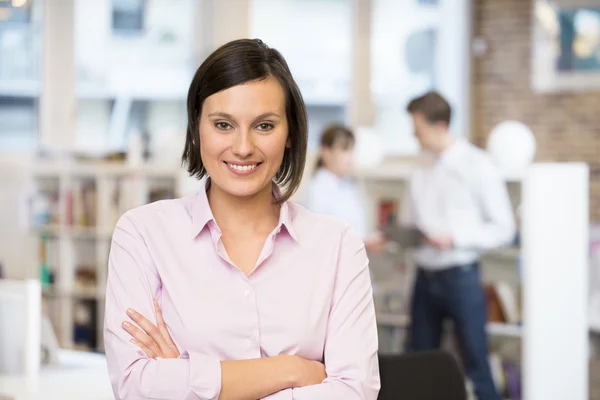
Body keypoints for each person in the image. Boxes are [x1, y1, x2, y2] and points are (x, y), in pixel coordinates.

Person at [103, 39, 380, 400]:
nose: (244, 147)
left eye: (264, 126)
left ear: (290, 134)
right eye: (223, 124)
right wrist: (291, 369)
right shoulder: (142, 234)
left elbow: (353, 391)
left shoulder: (337, 244)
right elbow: (134, 385)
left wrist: (188, 378)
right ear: (196, 129)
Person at [400, 91, 515, 400]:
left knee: (476, 362)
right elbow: (410, 220)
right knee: (417, 363)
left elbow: (504, 229)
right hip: (424, 277)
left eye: (417, 128)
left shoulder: (478, 164)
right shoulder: (419, 167)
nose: (413, 135)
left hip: (460, 276)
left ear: (439, 126)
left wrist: (455, 237)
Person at [305, 124, 386, 253]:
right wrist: (363, 244)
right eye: (344, 150)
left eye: (352, 150)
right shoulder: (318, 189)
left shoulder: (349, 184)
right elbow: (323, 241)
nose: (350, 157)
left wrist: (365, 242)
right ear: (325, 152)